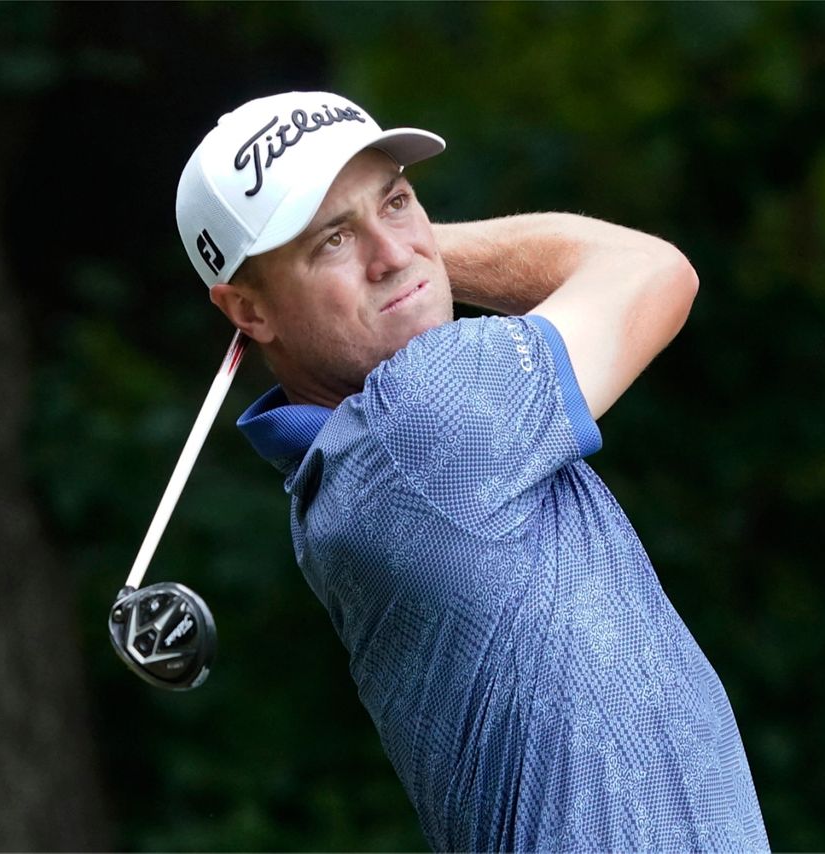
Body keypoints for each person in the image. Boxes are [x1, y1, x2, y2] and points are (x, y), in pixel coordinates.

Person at [175, 91, 769, 852]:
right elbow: (653, 271)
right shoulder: (421, 424)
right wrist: (424, 255)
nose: (391, 253)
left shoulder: (348, 468)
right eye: (331, 242)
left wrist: (392, 254)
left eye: (397, 202)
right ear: (248, 313)